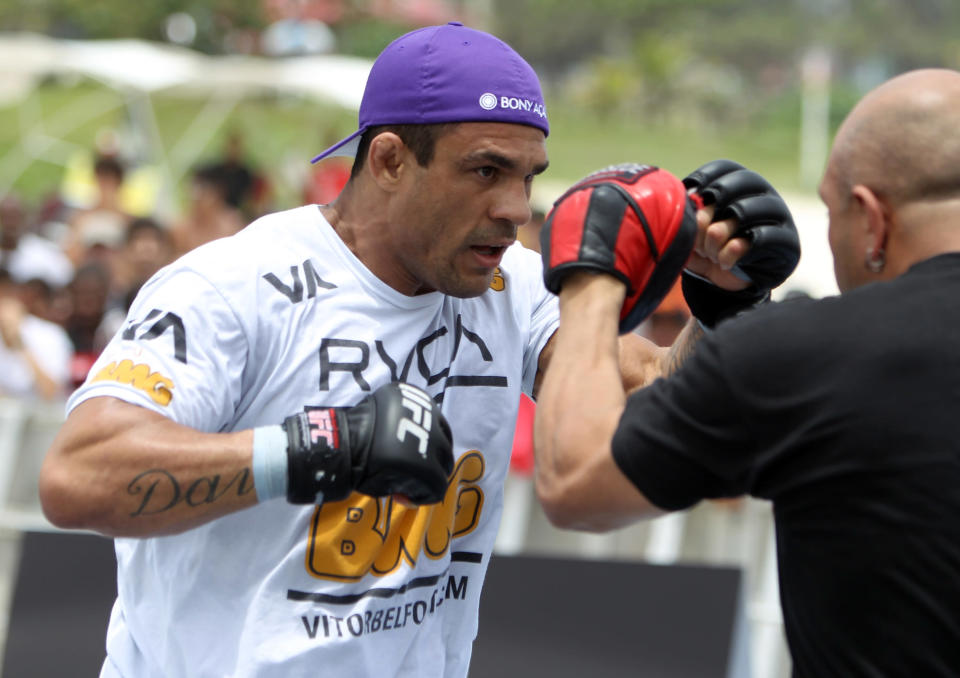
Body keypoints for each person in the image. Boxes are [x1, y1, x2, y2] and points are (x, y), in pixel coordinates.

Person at [38, 23, 795, 678]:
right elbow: (77, 475)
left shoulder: (513, 284)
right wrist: (315, 451)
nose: (513, 209)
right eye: (485, 171)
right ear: (392, 159)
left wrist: (726, 309)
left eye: (528, 176)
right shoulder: (233, 285)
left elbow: (650, 402)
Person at [533, 68, 960, 676]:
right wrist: (723, 312)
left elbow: (577, 482)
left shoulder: (814, 351)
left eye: (834, 210)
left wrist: (592, 274)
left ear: (872, 221)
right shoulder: (797, 355)